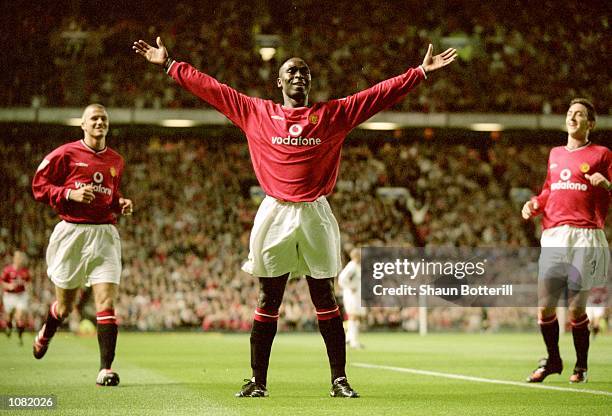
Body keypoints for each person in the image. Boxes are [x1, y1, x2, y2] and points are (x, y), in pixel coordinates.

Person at [133, 36, 456, 398]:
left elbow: (376, 95)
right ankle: (258, 381)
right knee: (268, 298)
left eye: (304, 71)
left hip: (316, 210)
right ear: (280, 82)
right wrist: (169, 65)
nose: (298, 75)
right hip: (275, 211)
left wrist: (419, 73)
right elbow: (212, 89)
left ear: (310, 82)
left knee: (325, 296)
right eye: (291, 71)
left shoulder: (332, 115)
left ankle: (339, 380)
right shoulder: (255, 112)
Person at [31, 104, 133, 387]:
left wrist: (120, 202)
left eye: (103, 118)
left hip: (105, 235)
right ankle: (47, 332)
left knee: (107, 301)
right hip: (72, 233)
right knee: (65, 307)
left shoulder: (116, 160)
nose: (99, 122)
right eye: (94, 119)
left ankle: (105, 369)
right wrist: (69, 193)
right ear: (84, 125)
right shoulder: (65, 154)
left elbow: (110, 196)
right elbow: (38, 187)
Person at [522, 98, 610, 383]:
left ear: (590, 124)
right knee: (545, 305)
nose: (573, 117)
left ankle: (581, 366)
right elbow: (549, 190)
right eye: (570, 113)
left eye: (580, 114)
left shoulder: (602, 154)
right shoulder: (555, 153)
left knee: (576, 307)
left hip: (585, 234)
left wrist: (607, 184)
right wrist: (535, 203)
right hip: (554, 234)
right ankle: (554, 360)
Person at [2, 250, 31, 345]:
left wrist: (28, 287)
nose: (20, 260)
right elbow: (1, 282)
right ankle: (9, 327)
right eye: (18, 257)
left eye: (21, 258)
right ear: (14, 259)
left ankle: (20, 338)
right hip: (9, 295)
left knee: (19, 316)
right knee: (9, 317)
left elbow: (29, 283)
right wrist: (9, 286)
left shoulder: (25, 271)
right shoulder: (7, 270)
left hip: (20, 295)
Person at [338, 248, 365, 349]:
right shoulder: (352, 266)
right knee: (353, 316)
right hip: (351, 295)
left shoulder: (358, 266)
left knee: (357, 317)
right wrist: (350, 287)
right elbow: (341, 279)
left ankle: (348, 339)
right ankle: (353, 341)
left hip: (357, 295)